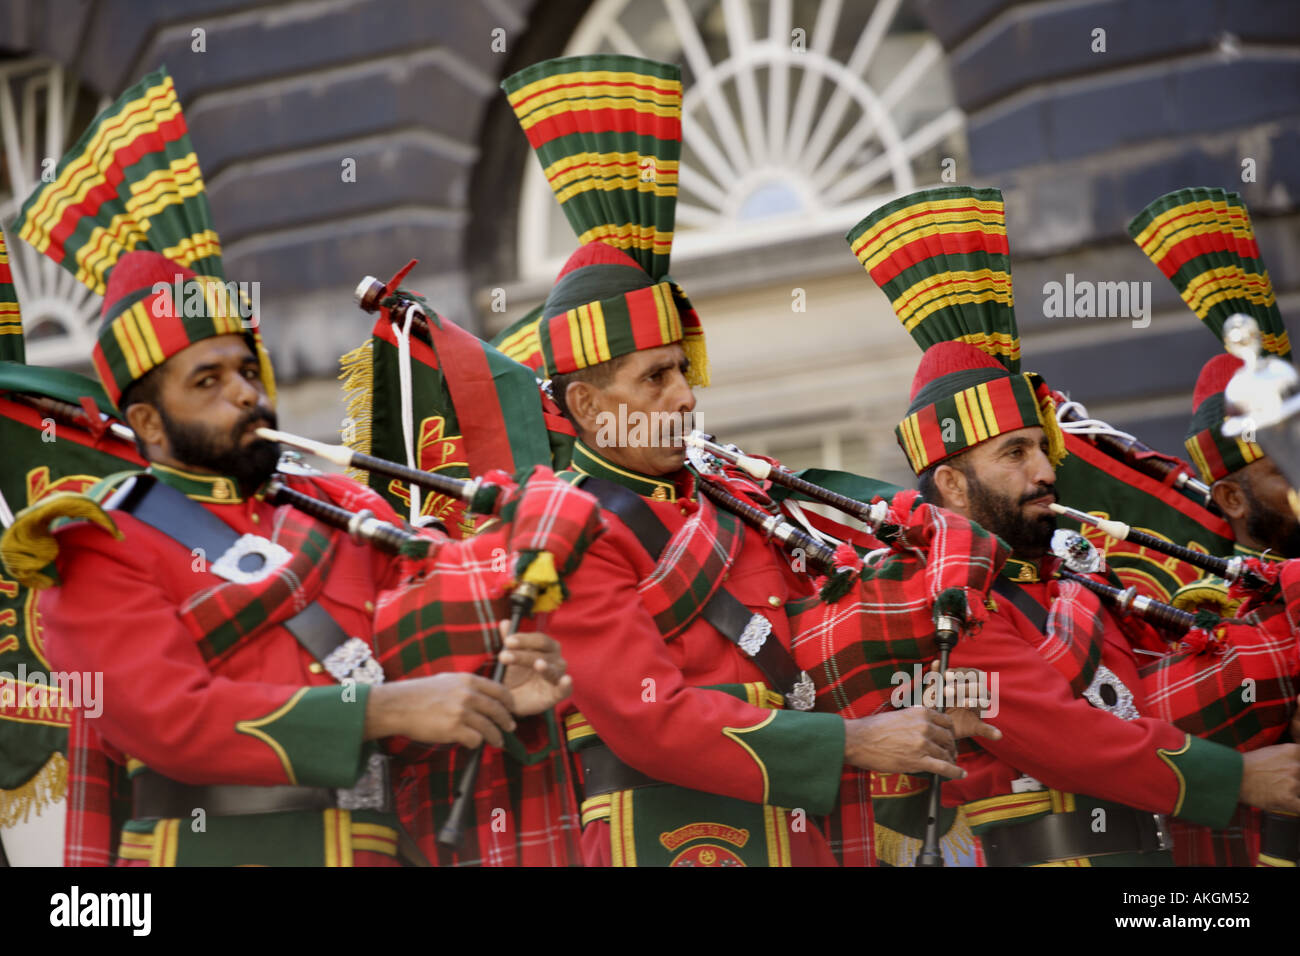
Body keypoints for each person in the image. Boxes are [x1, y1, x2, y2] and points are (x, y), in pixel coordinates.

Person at [502, 53, 995, 867]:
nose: (683, 398)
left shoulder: (731, 496)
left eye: (682, 373)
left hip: (806, 832)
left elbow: (817, 635)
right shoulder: (568, 523)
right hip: (665, 840)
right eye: (653, 378)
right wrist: (854, 742)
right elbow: (648, 721)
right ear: (586, 407)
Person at [849, 184, 1300, 866]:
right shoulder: (938, 596)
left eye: (1042, 448)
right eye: (1015, 453)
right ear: (949, 483)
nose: (1046, 472)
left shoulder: (1077, 574)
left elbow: (1160, 691)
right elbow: (1066, 737)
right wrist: (1240, 779)